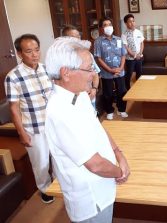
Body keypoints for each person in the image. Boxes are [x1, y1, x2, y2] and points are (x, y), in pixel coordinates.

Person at [44, 37, 130, 223]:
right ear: (66, 73)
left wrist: (119, 154)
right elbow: (95, 165)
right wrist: (120, 172)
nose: (94, 73)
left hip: (104, 183)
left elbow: (97, 126)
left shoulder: (79, 94)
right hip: (91, 199)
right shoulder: (60, 112)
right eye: (90, 68)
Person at [4, 34, 54, 203]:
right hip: (34, 128)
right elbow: (13, 108)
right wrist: (21, 133)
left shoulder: (46, 68)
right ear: (19, 54)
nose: (34, 54)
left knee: (58, 156)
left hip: (53, 125)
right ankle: (45, 189)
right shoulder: (13, 76)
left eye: (37, 50)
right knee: (41, 163)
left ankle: (60, 184)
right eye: (29, 51)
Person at [94, 17, 128, 120]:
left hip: (120, 71)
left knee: (122, 91)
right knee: (108, 93)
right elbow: (98, 58)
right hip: (106, 72)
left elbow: (123, 55)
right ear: (101, 28)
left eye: (109, 24)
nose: (108, 26)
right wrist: (109, 70)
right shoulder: (98, 41)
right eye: (105, 25)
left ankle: (121, 109)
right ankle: (109, 110)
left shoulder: (118, 39)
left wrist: (121, 67)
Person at [62, 25, 101, 111]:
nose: (77, 39)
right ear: (65, 39)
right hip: (73, 98)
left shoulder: (87, 55)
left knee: (92, 118)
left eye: (78, 36)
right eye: (73, 37)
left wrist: (94, 89)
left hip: (89, 96)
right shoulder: (61, 58)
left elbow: (95, 73)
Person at [121, 14, 145, 90]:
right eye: (130, 21)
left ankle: (139, 88)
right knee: (129, 74)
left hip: (139, 57)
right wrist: (134, 55)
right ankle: (127, 89)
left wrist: (140, 53)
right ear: (126, 23)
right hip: (130, 59)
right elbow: (126, 47)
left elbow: (142, 43)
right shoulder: (124, 35)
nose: (132, 23)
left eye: (133, 21)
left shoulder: (138, 32)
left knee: (139, 73)